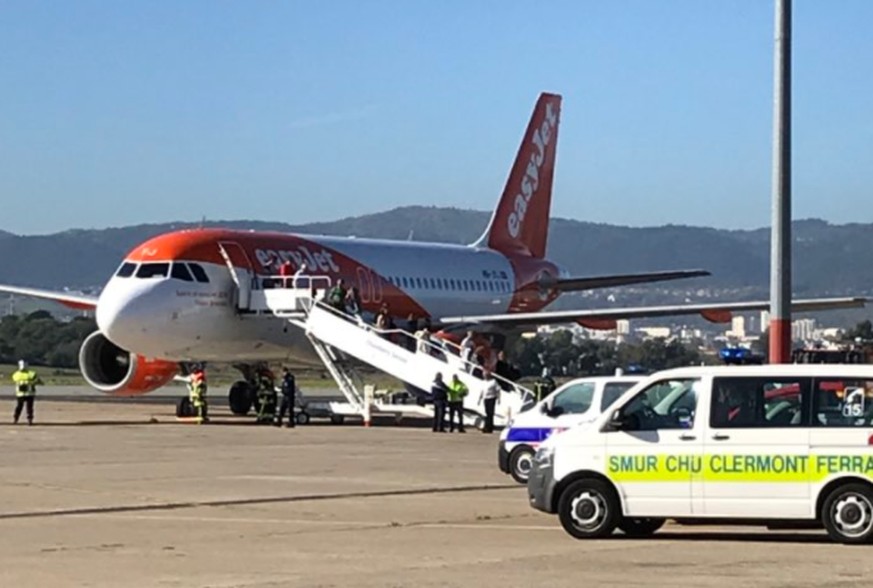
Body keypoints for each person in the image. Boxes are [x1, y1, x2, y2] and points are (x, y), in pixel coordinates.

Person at [11, 359, 41, 425]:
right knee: (23, 407)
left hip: (26, 393)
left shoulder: (17, 374)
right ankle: (19, 419)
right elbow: (38, 381)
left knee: (26, 407)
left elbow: (37, 381)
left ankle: (26, 419)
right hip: (24, 393)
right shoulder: (30, 374)